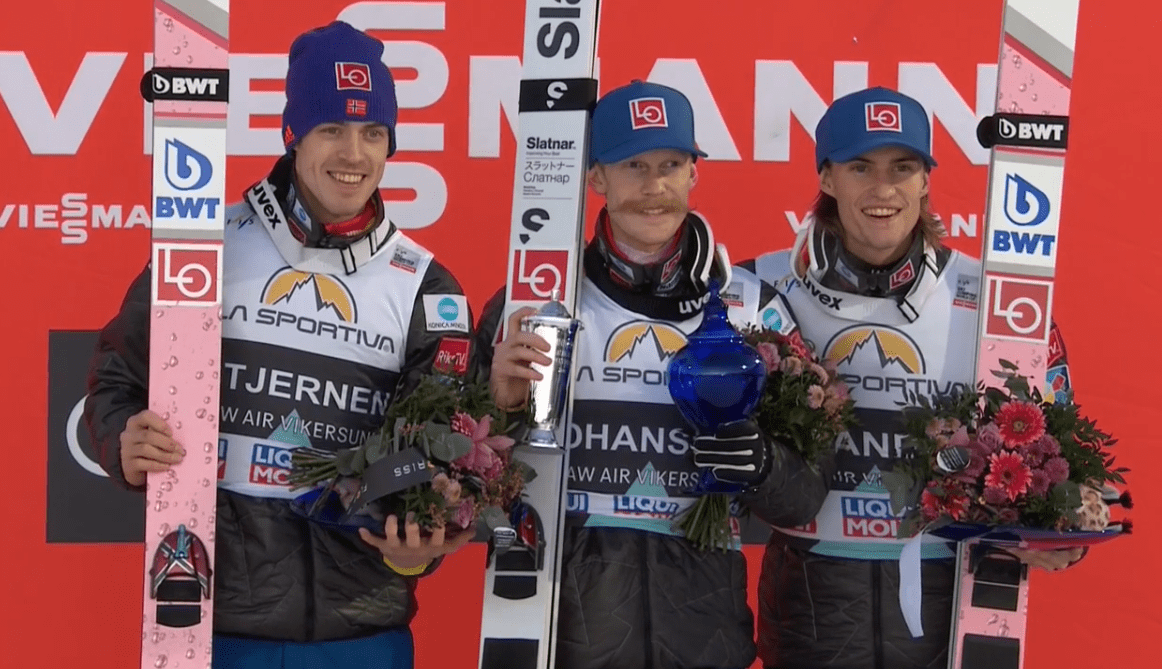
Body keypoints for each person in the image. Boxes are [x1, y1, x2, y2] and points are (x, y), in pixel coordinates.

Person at [84, 21, 474, 669]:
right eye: (332, 128)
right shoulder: (205, 248)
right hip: (212, 624)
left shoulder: (426, 286)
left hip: (361, 633)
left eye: (373, 132)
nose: (354, 153)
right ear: (293, 133)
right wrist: (123, 439)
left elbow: (437, 454)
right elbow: (116, 380)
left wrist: (419, 543)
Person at [475, 80, 833, 669]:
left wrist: (765, 464)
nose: (654, 187)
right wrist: (500, 408)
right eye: (633, 166)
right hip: (564, 641)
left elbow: (806, 497)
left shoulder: (753, 310)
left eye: (670, 165)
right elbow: (461, 479)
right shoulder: (532, 305)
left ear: (694, 172)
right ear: (596, 178)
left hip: (705, 644)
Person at [743, 86, 1086, 669]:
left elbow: (1064, 462)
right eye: (861, 167)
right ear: (826, 177)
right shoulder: (758, 290)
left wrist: (1061, 531)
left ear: (926, 180)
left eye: (903, 168)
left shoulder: (997, 301)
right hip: (813, 608)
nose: (884, 189)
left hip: (956, 600)